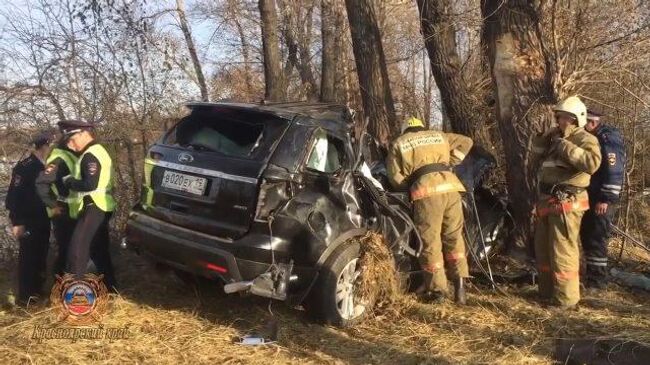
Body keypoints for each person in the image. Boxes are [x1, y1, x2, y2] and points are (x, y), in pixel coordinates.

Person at [386, 116, 473, 305]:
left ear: (404, 130)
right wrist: (449, 162)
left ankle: (438, 291)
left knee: (430, 241)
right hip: (451, 187)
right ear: (421, 127)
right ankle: (460, 288)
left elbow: (395, 177)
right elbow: (467, 142)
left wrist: (409, 187)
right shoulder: (438, 135)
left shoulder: (399, 143)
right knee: (454, 237)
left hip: (426, 192)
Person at [531, 96, 601, 309]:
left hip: (567, 202)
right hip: (547, 201)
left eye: (566, 118)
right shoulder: (554, 138)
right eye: (560, 117)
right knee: (543, 250)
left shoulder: (585, 139)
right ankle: (546, 293)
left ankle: (566, 300)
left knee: (563, 251)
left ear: (577, 119)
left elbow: (592, 163)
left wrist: (566, 147)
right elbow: (536, 161)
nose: (561, 122)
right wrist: (543, 139)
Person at [58, 120, 117, 290]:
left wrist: (69, 181)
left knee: (77, 251)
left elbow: (90, 184)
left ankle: (74, 297)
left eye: (72, 138)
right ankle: (111, 291)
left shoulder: (91, 154)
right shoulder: (95, 152)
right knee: (99, 252)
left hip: (94, 207)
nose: (69, 144)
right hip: (99, 207)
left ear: (84, 134)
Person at [5, 130, 55, 306]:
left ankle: (37, 292)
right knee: (28, 258)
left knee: (41, 255)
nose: (52, 149)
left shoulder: (46, 166)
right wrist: (17, 222)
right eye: (51, 145)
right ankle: (26, 297)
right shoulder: (25, 167)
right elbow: (13, 197)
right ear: (43, 146)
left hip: (43, 219)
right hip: (27, 220)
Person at [580, 110, 625, 290]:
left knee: (596, 237)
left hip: (602, 199)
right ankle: (590, 276)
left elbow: (614, 171)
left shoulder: (608, 139)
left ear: (591, 123)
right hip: (592, 196)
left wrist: (606, 199)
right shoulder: (596, 137)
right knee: (587, 234)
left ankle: (597, 281)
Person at [35, 133, 80, 276]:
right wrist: (52, 205)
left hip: (74, 210)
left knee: (75, 250)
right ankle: (59, 287)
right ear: (69, 142)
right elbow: (41, 184)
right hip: (63, 212)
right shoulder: (58, 159)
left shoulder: (72, 155)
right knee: (65, 251)